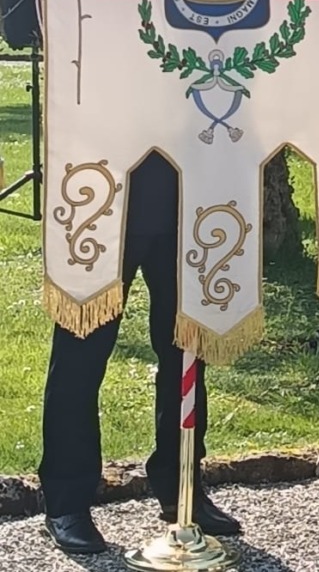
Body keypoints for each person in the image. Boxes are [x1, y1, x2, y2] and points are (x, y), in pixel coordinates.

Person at [38, 152, 241, 555]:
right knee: (80, 360)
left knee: (185, 357)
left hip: (186, 201)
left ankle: (182, 488)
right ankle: (67, 501)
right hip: (101, 205)